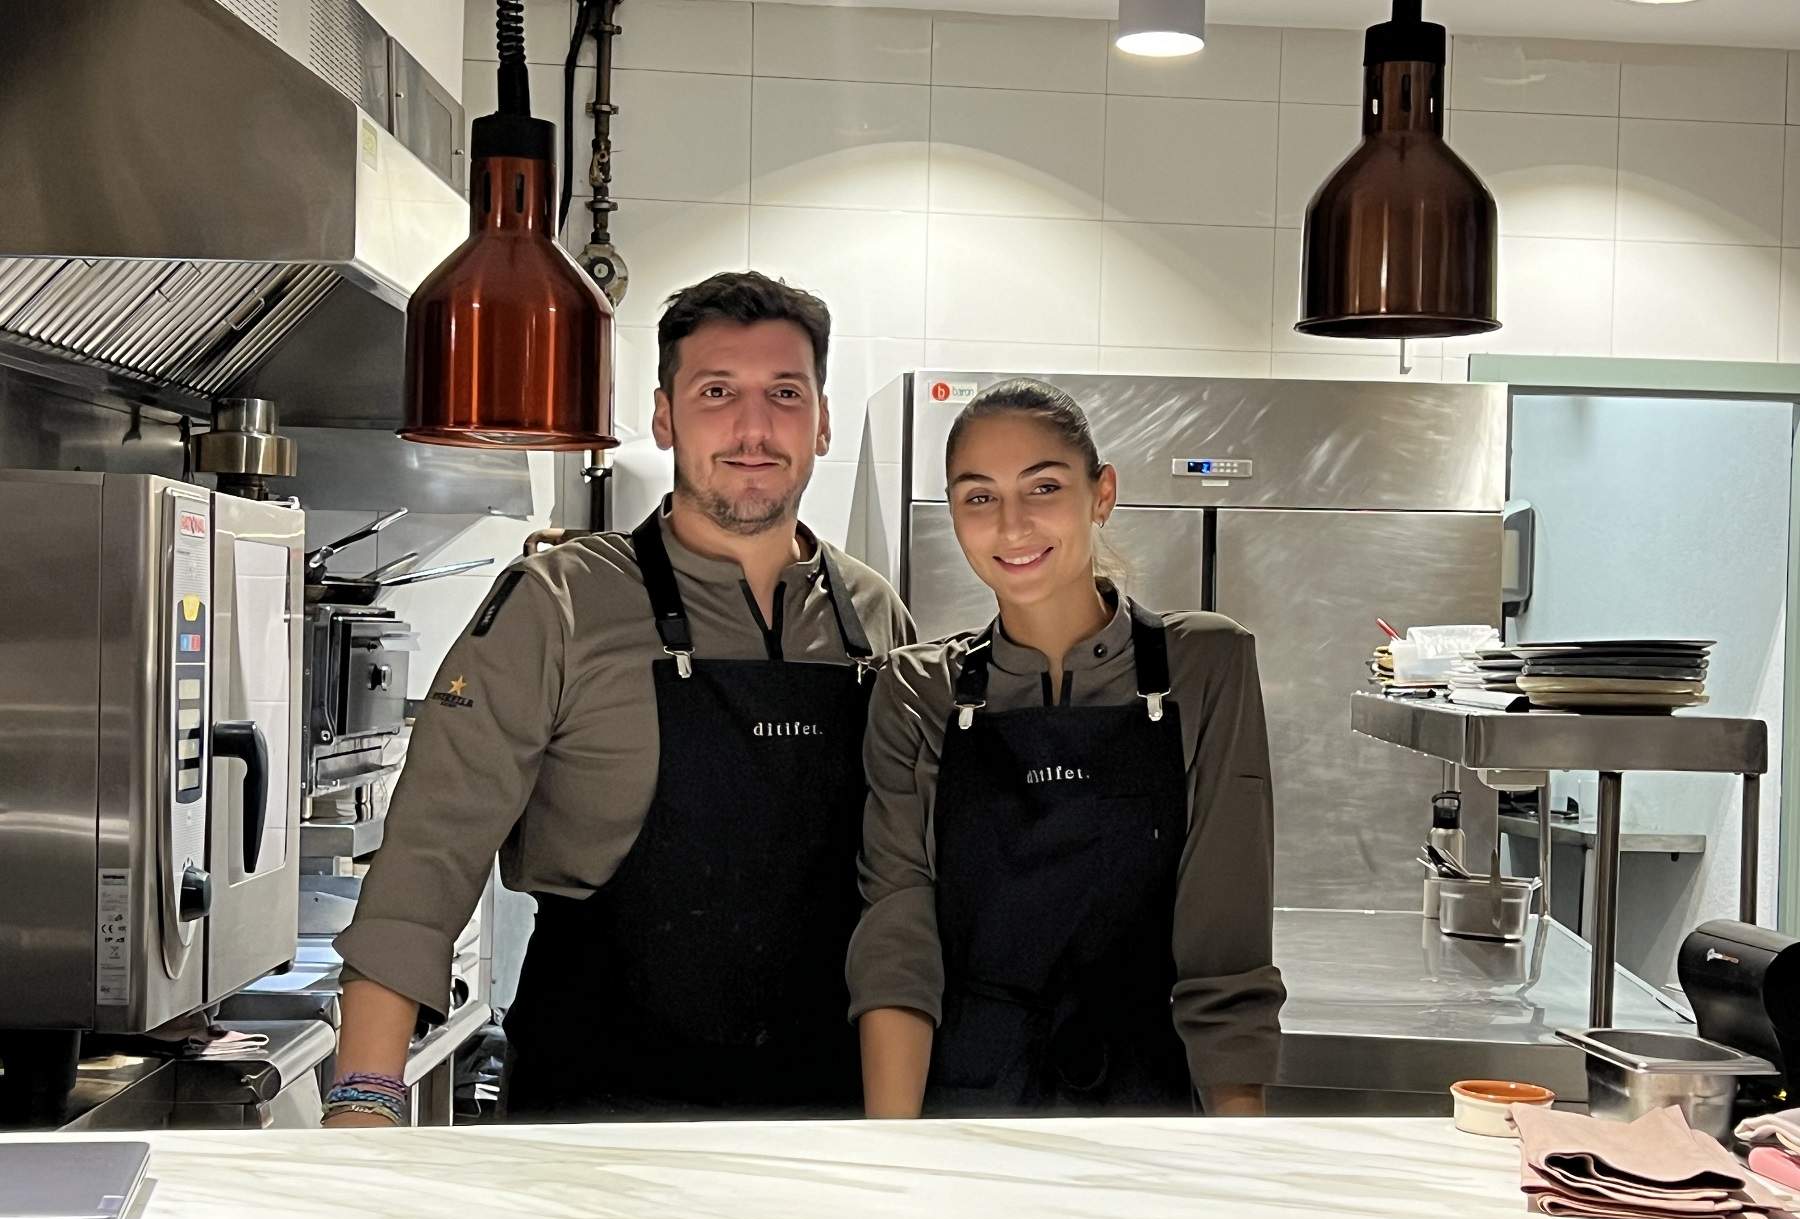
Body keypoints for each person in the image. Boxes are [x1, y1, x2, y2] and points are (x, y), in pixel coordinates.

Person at [327, 272, 914, 1126]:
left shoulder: (874, 616)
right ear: (666, 416)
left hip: (828, 1116)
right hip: (595, 1114)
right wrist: (365, 1095)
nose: (754, 428)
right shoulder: (557, 603)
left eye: (785, 394)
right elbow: (429, 854)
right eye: (718, 392)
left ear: (821, 421)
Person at [847, 378, 1284, 1119]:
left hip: (1149, 1109)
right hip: (967, 1101)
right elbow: (898, 942)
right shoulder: (917, 689)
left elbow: (1226, 952)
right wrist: (896, 1160)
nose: (1012, 526)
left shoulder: (1205, 664)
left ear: (1101, 493)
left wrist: (1232, 1171)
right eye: (979, 498)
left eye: (1042, 487)